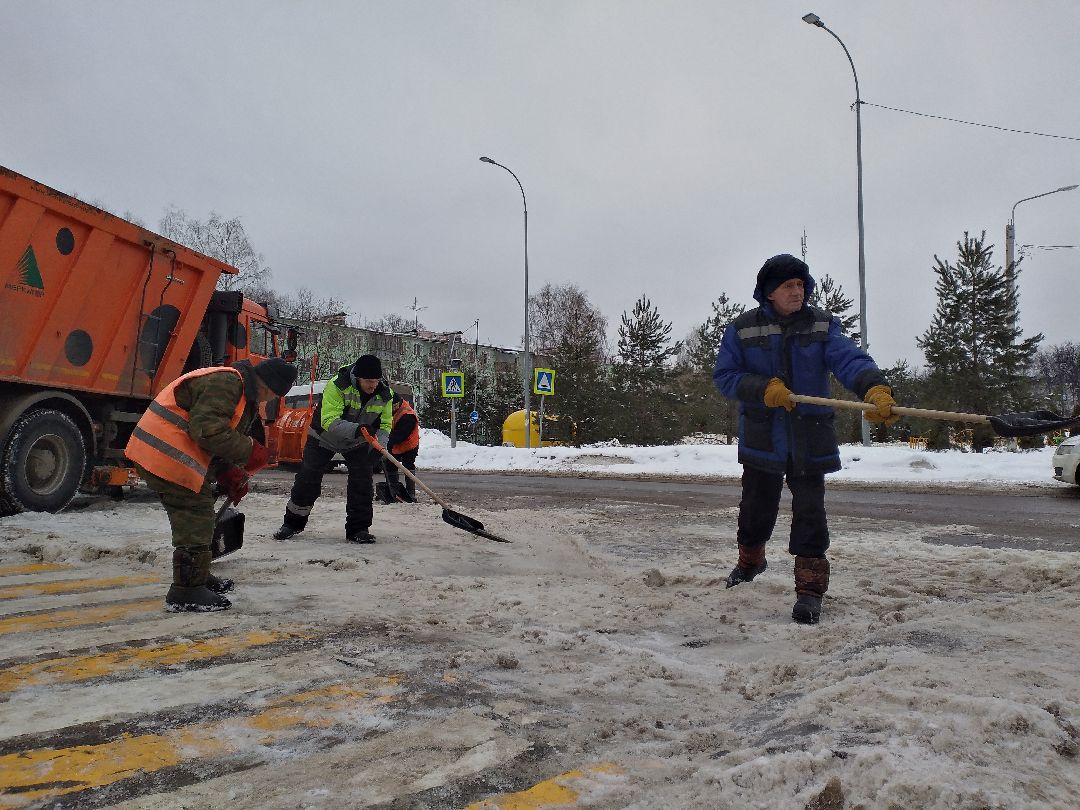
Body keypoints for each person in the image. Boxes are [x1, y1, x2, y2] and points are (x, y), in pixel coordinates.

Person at [713, 253, 898, 625]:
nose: (796, 291)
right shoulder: (743, 330)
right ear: (769, 293)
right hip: (764, 437)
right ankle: (750, 561)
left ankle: (810, 591)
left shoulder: (821, 326)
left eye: (800, 284)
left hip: (809, 436)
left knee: (811, 513)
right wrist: (762, 388)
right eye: (788, 286)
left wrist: (873, 388)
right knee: (755, 510)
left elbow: (850, 360)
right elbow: (725, 376)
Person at [126, 357, 297, 612]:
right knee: (195, 513)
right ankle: (186, 591)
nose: (267, 400)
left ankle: (198, 576)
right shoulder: (228, 383)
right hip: (163, 452)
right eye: (270, 394)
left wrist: (229, 472)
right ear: (265, 383)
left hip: (171, 452)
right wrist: (249, 451)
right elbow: (207, 430)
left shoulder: (241, 394)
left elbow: (214, 440)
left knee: (201, 511)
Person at [274, 354, 392, 544]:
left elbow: (385, 425)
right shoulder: (337, 385)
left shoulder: (385, 394)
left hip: (357, 441)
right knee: (308, 477)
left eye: (376, 381)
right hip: (323, 437)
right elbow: (329, 421)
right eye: (369, 381)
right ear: (358, 378)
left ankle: (358, 529)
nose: (373, 385)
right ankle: (292, 524)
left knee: (362, 481)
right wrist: (359, 429)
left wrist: (380, 447)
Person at [376, 383, 420, 504]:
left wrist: (384, 443)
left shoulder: (408, 415)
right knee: (389, 465)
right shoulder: (390, 410)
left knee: (408, 467)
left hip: (409, 444)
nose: (390, 409)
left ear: (398, 403)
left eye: (392, 406)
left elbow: (400, 435)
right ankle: (393, 491)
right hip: (395, 444)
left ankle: (411, 493)